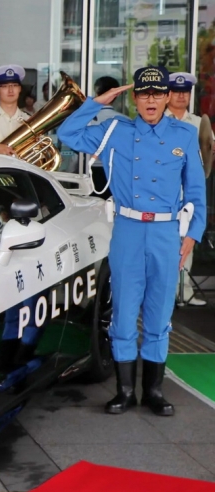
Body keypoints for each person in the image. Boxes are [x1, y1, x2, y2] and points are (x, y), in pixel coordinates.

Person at [57, 66, 207, 417]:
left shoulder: (184, 135)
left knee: (159, 314)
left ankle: (153, 390)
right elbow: (67, 132)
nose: (151, 100)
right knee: (124, 313)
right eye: (144, 94)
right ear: (135, 98)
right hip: (127, 229)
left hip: (166, 234)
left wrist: (193, 235)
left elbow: (198, 192)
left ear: (168, 97)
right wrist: (98, 102)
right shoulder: (114, 130)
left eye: (158, 93)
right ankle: (124, 391)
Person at [166, 72, 213, 307]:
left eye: (185, 92)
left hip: (189, 193)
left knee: (188, 241)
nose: (181, 96)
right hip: (163, 193)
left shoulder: (197, 123)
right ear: (167, 94)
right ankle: (163, 292)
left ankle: (184, 291)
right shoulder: (156, 120)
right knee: (162, 243)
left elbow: (208, 150)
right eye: (176, 92)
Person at [87, 76, 128, 197]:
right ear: (117, 94)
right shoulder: (125, 120)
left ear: (97, 92)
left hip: (91, 169)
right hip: (116, 170)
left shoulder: (86, 118)